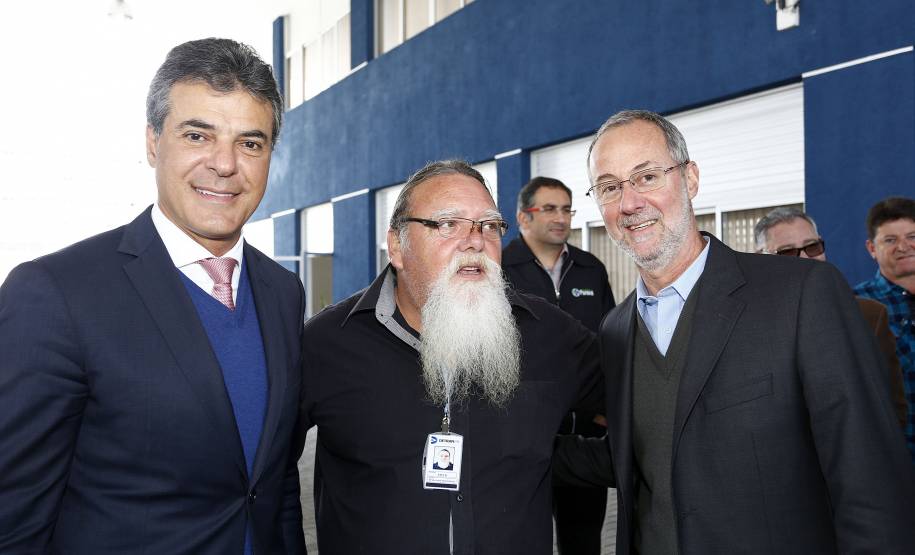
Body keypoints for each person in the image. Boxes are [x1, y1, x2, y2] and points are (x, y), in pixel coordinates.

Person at [556, 109, 915, 554]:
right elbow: (637, 453)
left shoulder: (801, 295)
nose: (629, 203)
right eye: (610, 187)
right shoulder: (615, 330)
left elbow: (870, 480)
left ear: (689, 179)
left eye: (647, 176)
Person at [0, 38, 306, 554]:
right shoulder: (55, 295)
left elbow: (276, 486)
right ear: (152, 142)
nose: (225, 164)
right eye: (197, 135)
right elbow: (13, 515)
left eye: (251, 143)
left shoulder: (283, 293)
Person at [300, 160, 603, 554]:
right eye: (447, 224)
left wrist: (551, 456)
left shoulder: (549, 332)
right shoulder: (329, 341)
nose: (475, 240)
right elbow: (263, 477)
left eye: (489, 225)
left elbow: (645, 420)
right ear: (397, 246)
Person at [502, 176, 614, 555]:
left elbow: (608, 344)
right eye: (549, 208)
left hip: (583, 438)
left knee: (583, 542)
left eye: (566, 209)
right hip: (520, 437)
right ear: (523, 217)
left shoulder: (590, 269)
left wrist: (606, 407)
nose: (561, 217)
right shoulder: (498, 268)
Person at [753, 206, 907, 428]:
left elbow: (891, 406)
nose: (805, 258)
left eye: (812, 247)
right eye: (787, 251)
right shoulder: (748, 323)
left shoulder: (869, 315)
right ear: (760, 258)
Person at [854, 196, 915, 462]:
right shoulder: (856, 307)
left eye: (912, 236)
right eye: (890, 240)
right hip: (896, 458)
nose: (904, 247)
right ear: (871, 247)